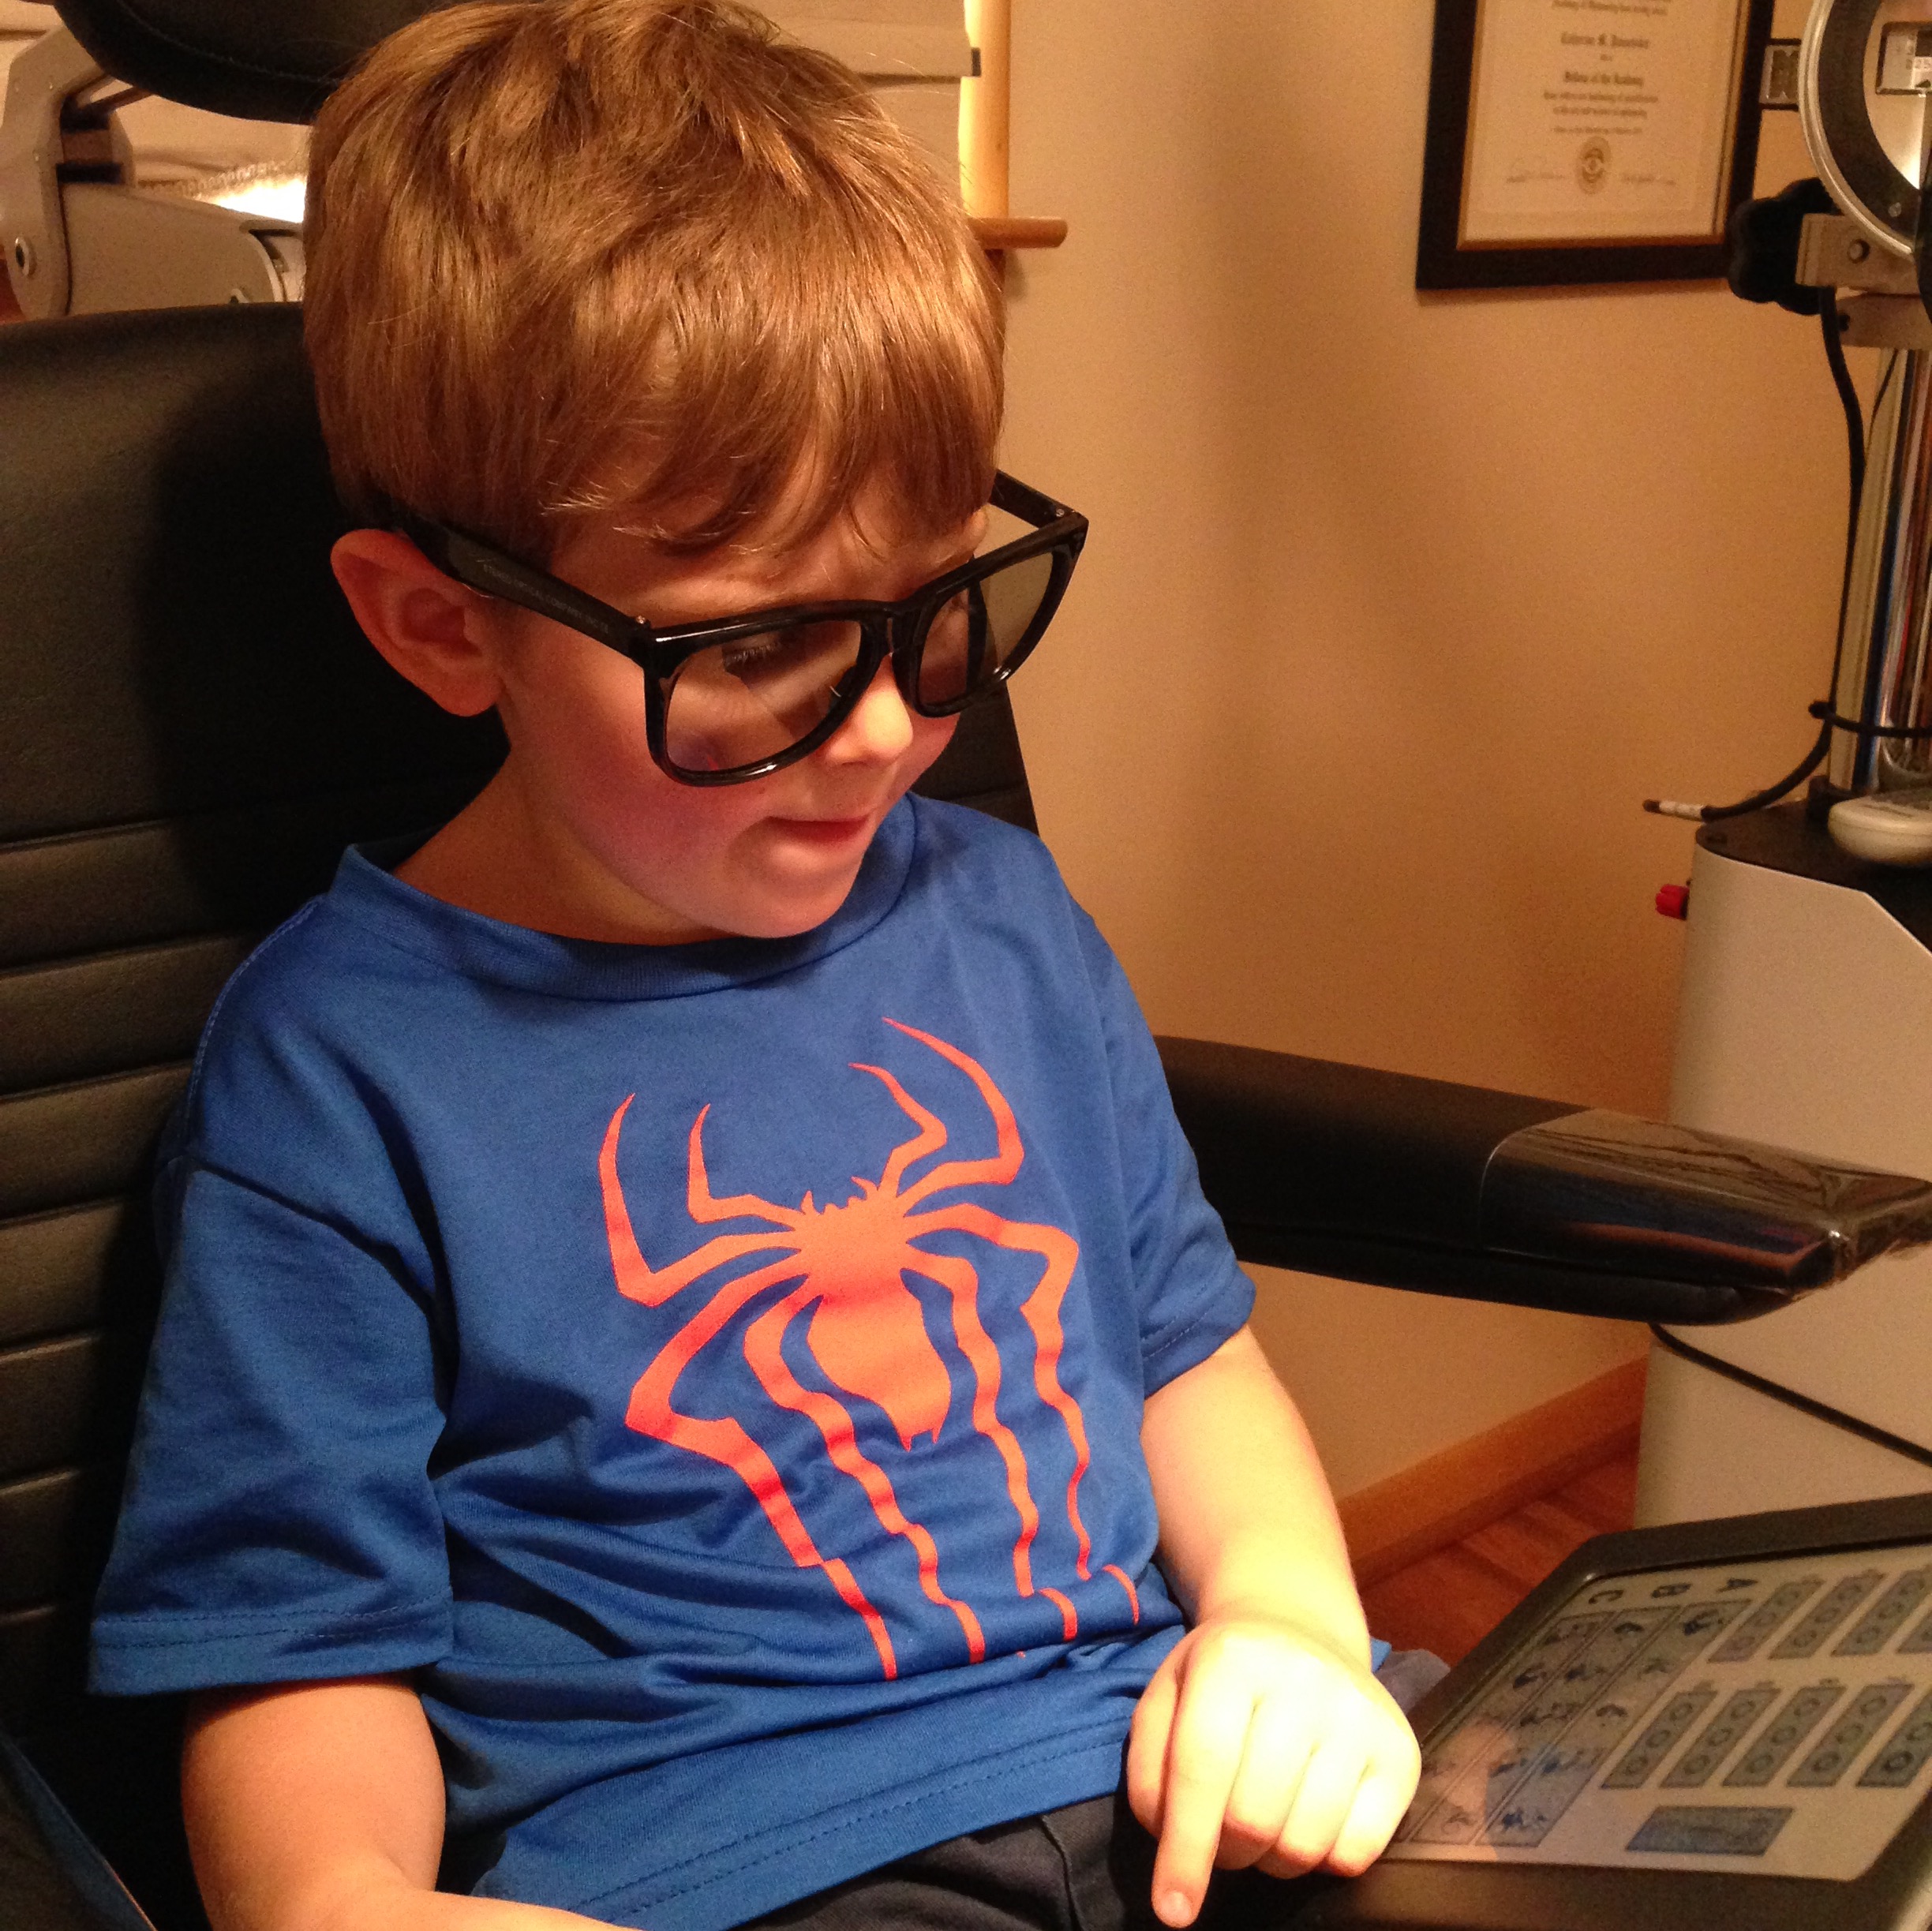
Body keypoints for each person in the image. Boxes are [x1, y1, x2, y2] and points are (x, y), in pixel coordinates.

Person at [88, 5, 1422, 1929]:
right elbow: (298, 1637)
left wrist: (1294, 1622)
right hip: (746, 1862)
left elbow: (1185, 1355)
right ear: (444, 629)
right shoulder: (336, 1074)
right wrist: (343, 1901)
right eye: (752, 651)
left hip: (1175, 1754)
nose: (889, 734)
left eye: (935, 605)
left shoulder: (1002, 920)